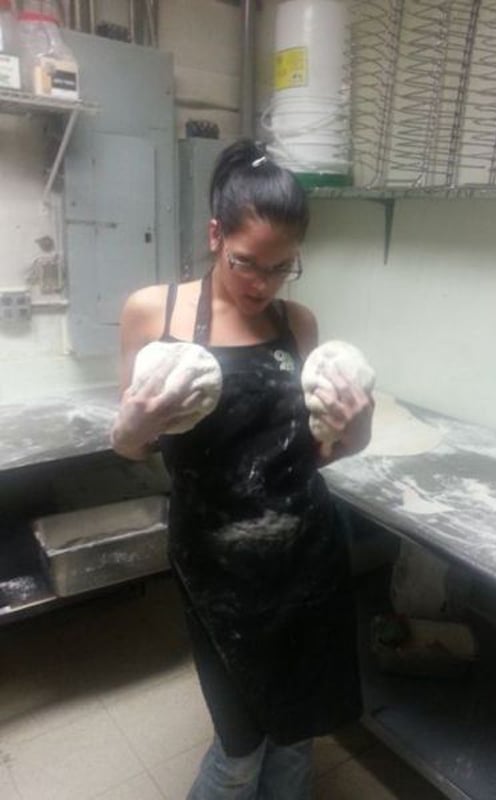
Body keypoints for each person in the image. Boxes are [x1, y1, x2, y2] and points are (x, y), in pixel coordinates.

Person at [111, 139, 374, 799]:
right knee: (239, 753)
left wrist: (357, 429)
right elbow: (130, 447)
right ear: (214, 235)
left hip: (307, 559)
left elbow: (322, 449)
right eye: (245, 263)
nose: (262, 284)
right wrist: (134, 427)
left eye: (282, 267)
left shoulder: (299, 323)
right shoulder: (154, 313)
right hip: (216, 571)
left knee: (295, 738)